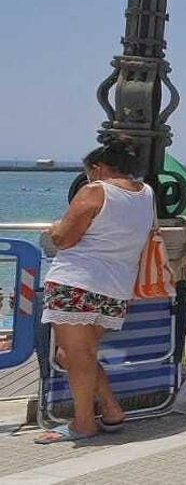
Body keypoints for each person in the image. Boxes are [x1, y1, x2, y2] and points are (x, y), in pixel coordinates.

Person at [35, 138, 156, 444]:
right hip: (115, 286)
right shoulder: (146, 193)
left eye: (89, 171)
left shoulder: (94, 191)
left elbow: (64, 239)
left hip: (76, 281)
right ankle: (112, 410)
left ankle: (83, 424)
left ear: (98, 167)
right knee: (77, 354)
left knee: (75, 355)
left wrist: (55, 227)